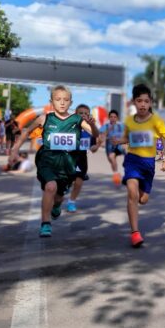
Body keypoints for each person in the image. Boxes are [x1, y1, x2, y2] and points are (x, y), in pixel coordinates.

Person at [10, 85, 99, 237]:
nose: (62, 103)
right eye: (58, 99)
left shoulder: (77, 119)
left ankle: (57, 205)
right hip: (48, 160)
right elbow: (27, 131)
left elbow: (95, 134)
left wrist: (91, 124)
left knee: (59, 196)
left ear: (71, 102)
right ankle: (45, 223)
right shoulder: (44, 118)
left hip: (68, 163)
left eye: (66, 100)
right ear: (52, 101)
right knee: (50, 187)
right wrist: (14, 150)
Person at [109, 84, 165, 248]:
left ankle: (140, 199)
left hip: (148, 164)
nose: (143, 104)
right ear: (134, 102)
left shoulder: (156, 121)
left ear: (151, 102)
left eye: (146, 101)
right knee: (132, 193)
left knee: (143, 199)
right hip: (132, 161)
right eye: (139, 101)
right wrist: (119, 140)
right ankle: (135, 233)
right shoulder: (129, 121)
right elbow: (127, 138)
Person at [67, 104, 100, 212]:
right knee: (66, 181)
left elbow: (93, 148)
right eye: (80, 113)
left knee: (79, 182)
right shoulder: (69, 127)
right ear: (75, 114)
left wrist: (98, 145)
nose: (83, 115)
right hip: (68, 158)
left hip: (81, 159)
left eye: (86, 113)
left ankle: (71, 201)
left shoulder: (90, 131)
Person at [99, 110, 126, 185]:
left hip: (120, 145)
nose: (113, 119)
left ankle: (126, 171)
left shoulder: (122, 126)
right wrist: (108, 132)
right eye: (111, 117)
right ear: (109, 118)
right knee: (111, 159)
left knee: (128, 156)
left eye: (115, 117)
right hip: (110, 146)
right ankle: (116, 174)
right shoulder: (106, 126)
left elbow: (128, 134)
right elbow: (101, 137)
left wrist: (124, 141)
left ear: (117, 118)